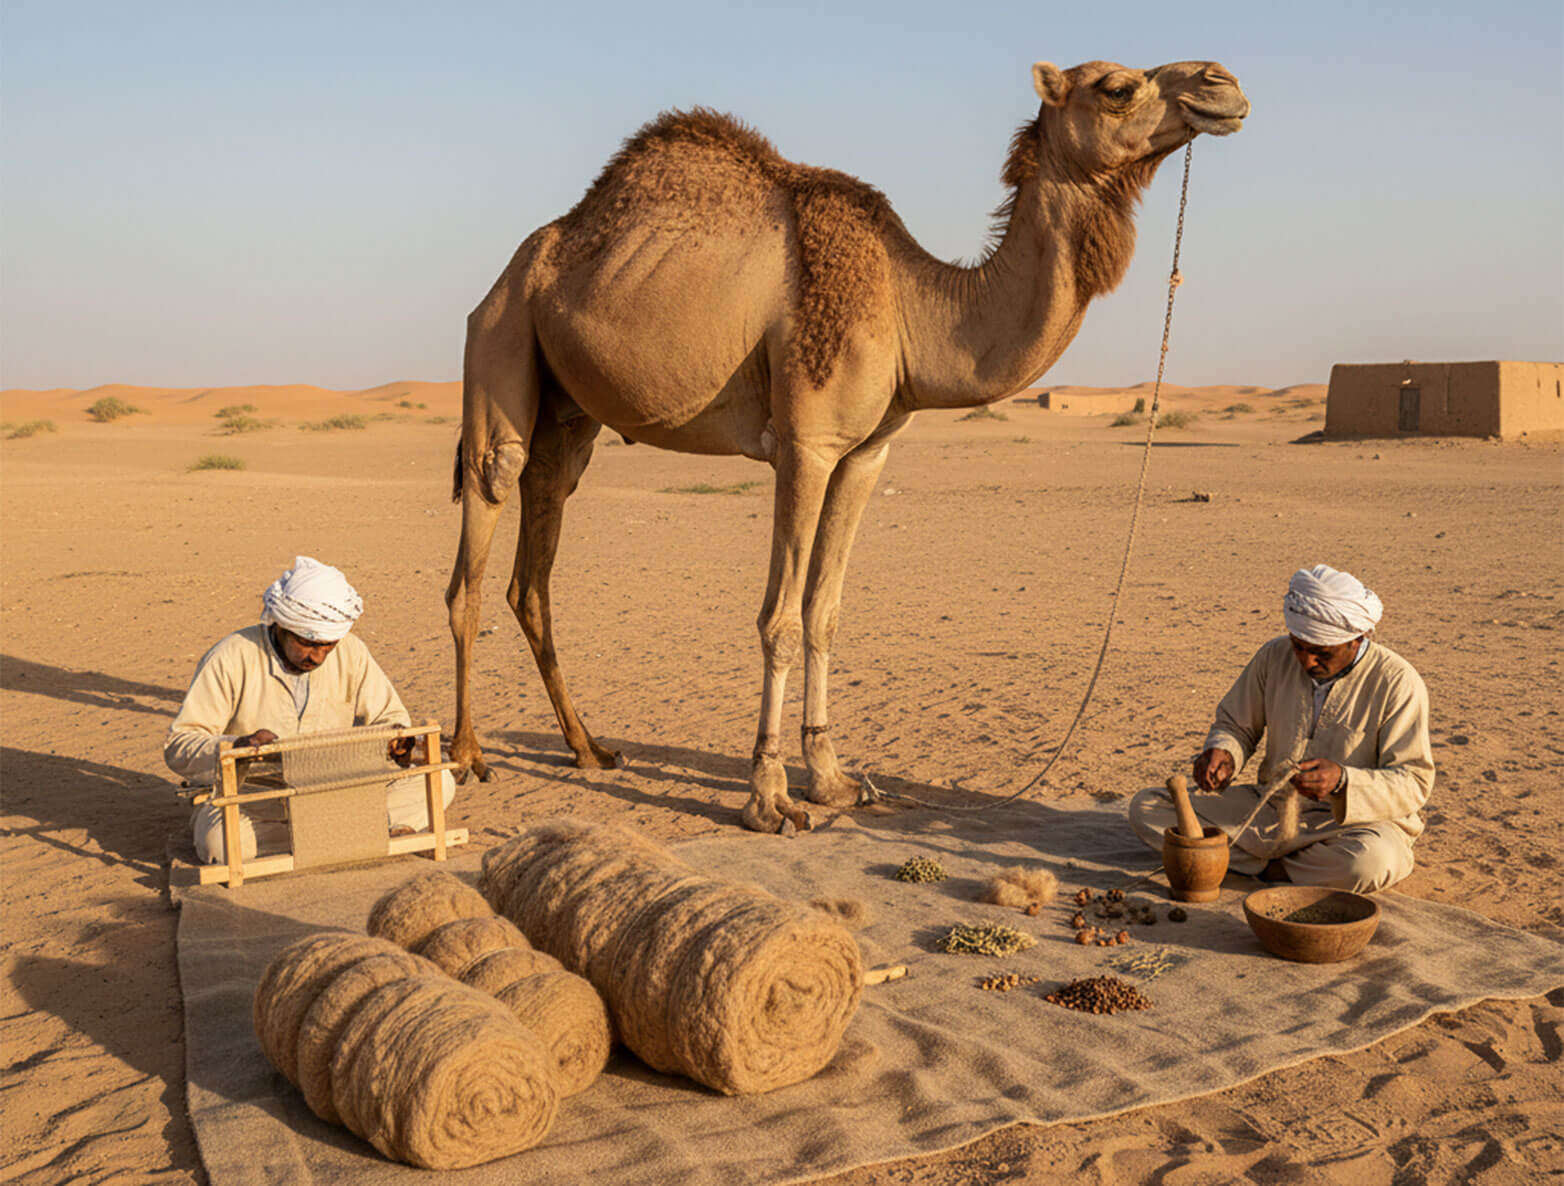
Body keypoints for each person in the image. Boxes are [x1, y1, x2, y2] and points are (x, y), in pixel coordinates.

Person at [1128, 564, 1433, 893]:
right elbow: (1235, 724)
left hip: (1351, 824)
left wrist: (1342, 781)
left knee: (1370, 863)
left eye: (1321, 653)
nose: (1306, 661)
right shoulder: (1274, 656)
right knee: (1148, 808)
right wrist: (1224, 753)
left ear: (1357, 638)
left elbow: (1413, 781)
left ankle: (1259, 866)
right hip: (1270, 809)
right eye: (1298, 646)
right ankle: (1288, 868)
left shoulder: (1397, 681)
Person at [166, 556, 455, 863]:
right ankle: (362, 831)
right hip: (258, 798)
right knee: (220, 844)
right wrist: (239, 746)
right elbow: (180, 745)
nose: (317, 657)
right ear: (282, 625)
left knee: (439, 782)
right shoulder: (232, 656)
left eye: (328, 646)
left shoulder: (351, 651)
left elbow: (392, 718)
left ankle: (329, 833)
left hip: (337, 790)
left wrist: (396, 741)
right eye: (306, 643)